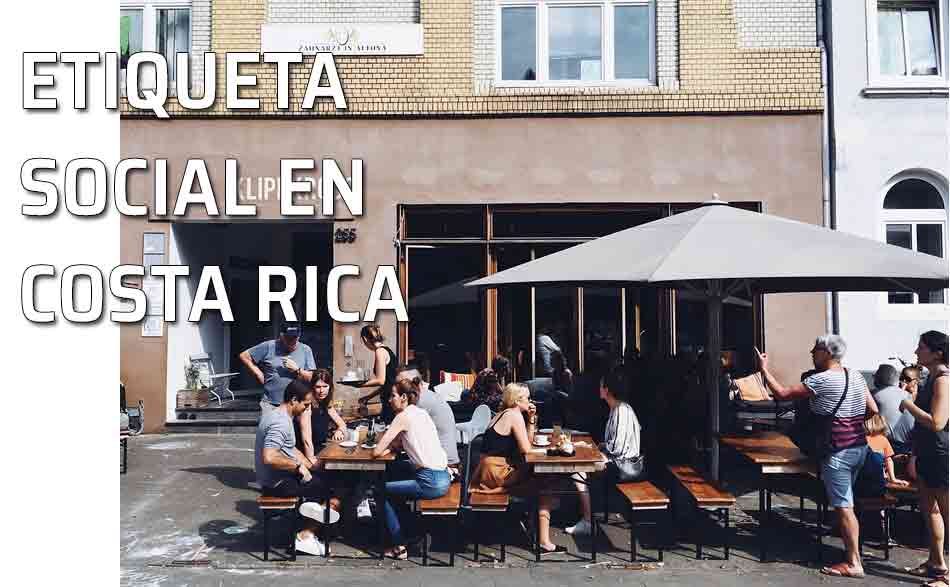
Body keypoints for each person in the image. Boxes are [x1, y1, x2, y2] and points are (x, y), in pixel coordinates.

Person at [756, 334, 878, 578]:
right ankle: (849, 549)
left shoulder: (820, 380)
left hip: (837, 451)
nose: (811, 352)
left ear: (827, 353)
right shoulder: (855, 375)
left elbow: (781, 393)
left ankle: (854, 562)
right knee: (847, 502)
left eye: (816, 349)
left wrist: (763, 369)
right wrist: (849, 423)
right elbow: (873, 409)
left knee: (844, 507)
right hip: (859, 446)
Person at [470, 383, 566, 555]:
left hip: (489, 470)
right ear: (516, 400)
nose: (530, 401)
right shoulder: (514, 416)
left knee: (542, 480)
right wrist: (553, 450)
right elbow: (527, 450)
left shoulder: (506, 413)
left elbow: (526, 444)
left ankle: (535, 527)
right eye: (527, 398)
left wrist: (531, 419)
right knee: (545, 484)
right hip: (497, 472)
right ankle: (544, 541)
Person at [255, 379, 339, 556]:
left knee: (322, 479)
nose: (307, 408)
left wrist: (311, 465)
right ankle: (305, 536)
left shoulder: (278, 414)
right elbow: (269, 456)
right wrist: (298, 466)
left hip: (277, 477)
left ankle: (310, 519)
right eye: (305, 404)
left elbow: (290, 448)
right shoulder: (281, 423)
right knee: (333, 490)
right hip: (276, 483)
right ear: (294, 400)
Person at [372, 379, 450, 559]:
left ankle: (399, 546)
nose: (389, 400)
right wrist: (392, 447)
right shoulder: (420, 413)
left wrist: (386, 447)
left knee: (380, 491)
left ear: (404, 397)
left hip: (430, 481)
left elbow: (376, 451)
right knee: (395, 475)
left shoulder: (402, 417)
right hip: (443, 476)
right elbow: (400, 444)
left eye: (393, 396)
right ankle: (408, 531)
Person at [567, 363, 642, 536]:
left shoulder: (621, 411)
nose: (599, 388)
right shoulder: (616, 409)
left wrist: (596, 451)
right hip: (619, 461)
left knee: (578, 469)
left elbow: (618, 448)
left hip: (623, 466)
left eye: (601, 385)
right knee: (579, 463)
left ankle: (587, 521)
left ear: (607, 390)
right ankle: (584, 516)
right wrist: (596, 447)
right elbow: (613, 443)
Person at [900, 331, 949, 587]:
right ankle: (936, 562)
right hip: (930, 451)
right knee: (930, 508)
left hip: (941, 453)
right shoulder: (932, 378)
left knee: (946, 511)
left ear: (936, 352)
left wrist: (908, 404)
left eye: (921, 347)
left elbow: (938, 422)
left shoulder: (943, 380)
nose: (916, 351)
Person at [395, 365, 460, 471]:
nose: (397, 388)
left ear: (415, 383)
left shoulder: (420, 401)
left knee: (391, 469)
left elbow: (400, 440)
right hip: (439, 462)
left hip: (443, 467)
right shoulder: (426, 396)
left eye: (401, 384)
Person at [240, 322, 316, 413]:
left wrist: (297, 370)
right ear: (281, 336)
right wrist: (258, 373)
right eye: (288, 338)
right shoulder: (269, 346)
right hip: (271, 403)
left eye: (295, 338)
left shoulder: (305, 349)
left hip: (298, 404)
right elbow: (244, 356)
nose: (292, 341)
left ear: (299, 336)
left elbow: (311, 377)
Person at [295, 369, 347, 466]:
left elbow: (342, 424)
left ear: (330, 387)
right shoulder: (307, 406)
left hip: (321, 449)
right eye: (318, 387)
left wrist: (339, 430)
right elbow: (306, 440)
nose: (321, 391)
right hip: (306, 453)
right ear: (312, 387)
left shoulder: (325, 403)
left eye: (325, 386)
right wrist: (312, 461)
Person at [356, 324, 398, 423]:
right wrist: (368, 397)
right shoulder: (387, 350)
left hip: (390, 400)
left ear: (365, 339)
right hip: (390, 398)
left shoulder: (380, 351)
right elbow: (387, 382)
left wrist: (357, 385)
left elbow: (381, 380)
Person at [872, 364, 916, 454]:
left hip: (890, 446)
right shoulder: (908, 395)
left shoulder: (874, 395)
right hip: (909, 446)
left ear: (879, 378)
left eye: (875, 376)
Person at [864, 413, 909, 487]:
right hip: (878, 478)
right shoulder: (883, 439)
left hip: (863, 476)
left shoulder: (862, 439)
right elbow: (888, 460)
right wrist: (893, 479)